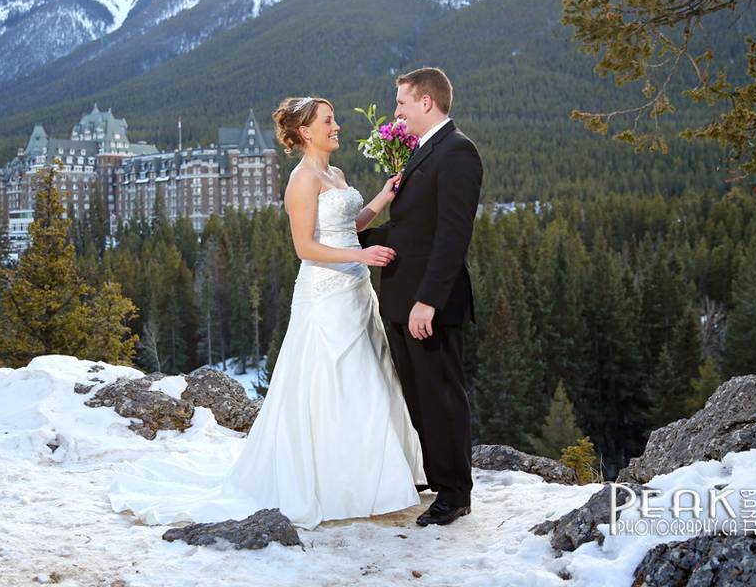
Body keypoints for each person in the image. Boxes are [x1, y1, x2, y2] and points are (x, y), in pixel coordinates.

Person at [108, 96, 426, 529]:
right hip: (326, 294)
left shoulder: (336, 174)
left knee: (369, 380)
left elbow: (346, 228)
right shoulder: (301, 180)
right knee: (332, 382)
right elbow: (305, 248)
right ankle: (334, 484)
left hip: (356, 292)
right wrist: (363, 256)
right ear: (304, 133)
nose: (336, 127)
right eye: (328, 122)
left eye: (334, 121)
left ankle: (373, 480)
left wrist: (383, 197)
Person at [358, 67, 484, 526]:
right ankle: (438, 478)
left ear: (426, 102)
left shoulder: (457, 152)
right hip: (400, 298)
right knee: (417, 393)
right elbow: (413, 229)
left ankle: (455, 493)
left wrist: (428, 300)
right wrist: (355, 241)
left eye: (402, 104)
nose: (397, 113)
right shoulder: (422, 153)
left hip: (429, 305)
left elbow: (454, 234)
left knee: (440, 395)